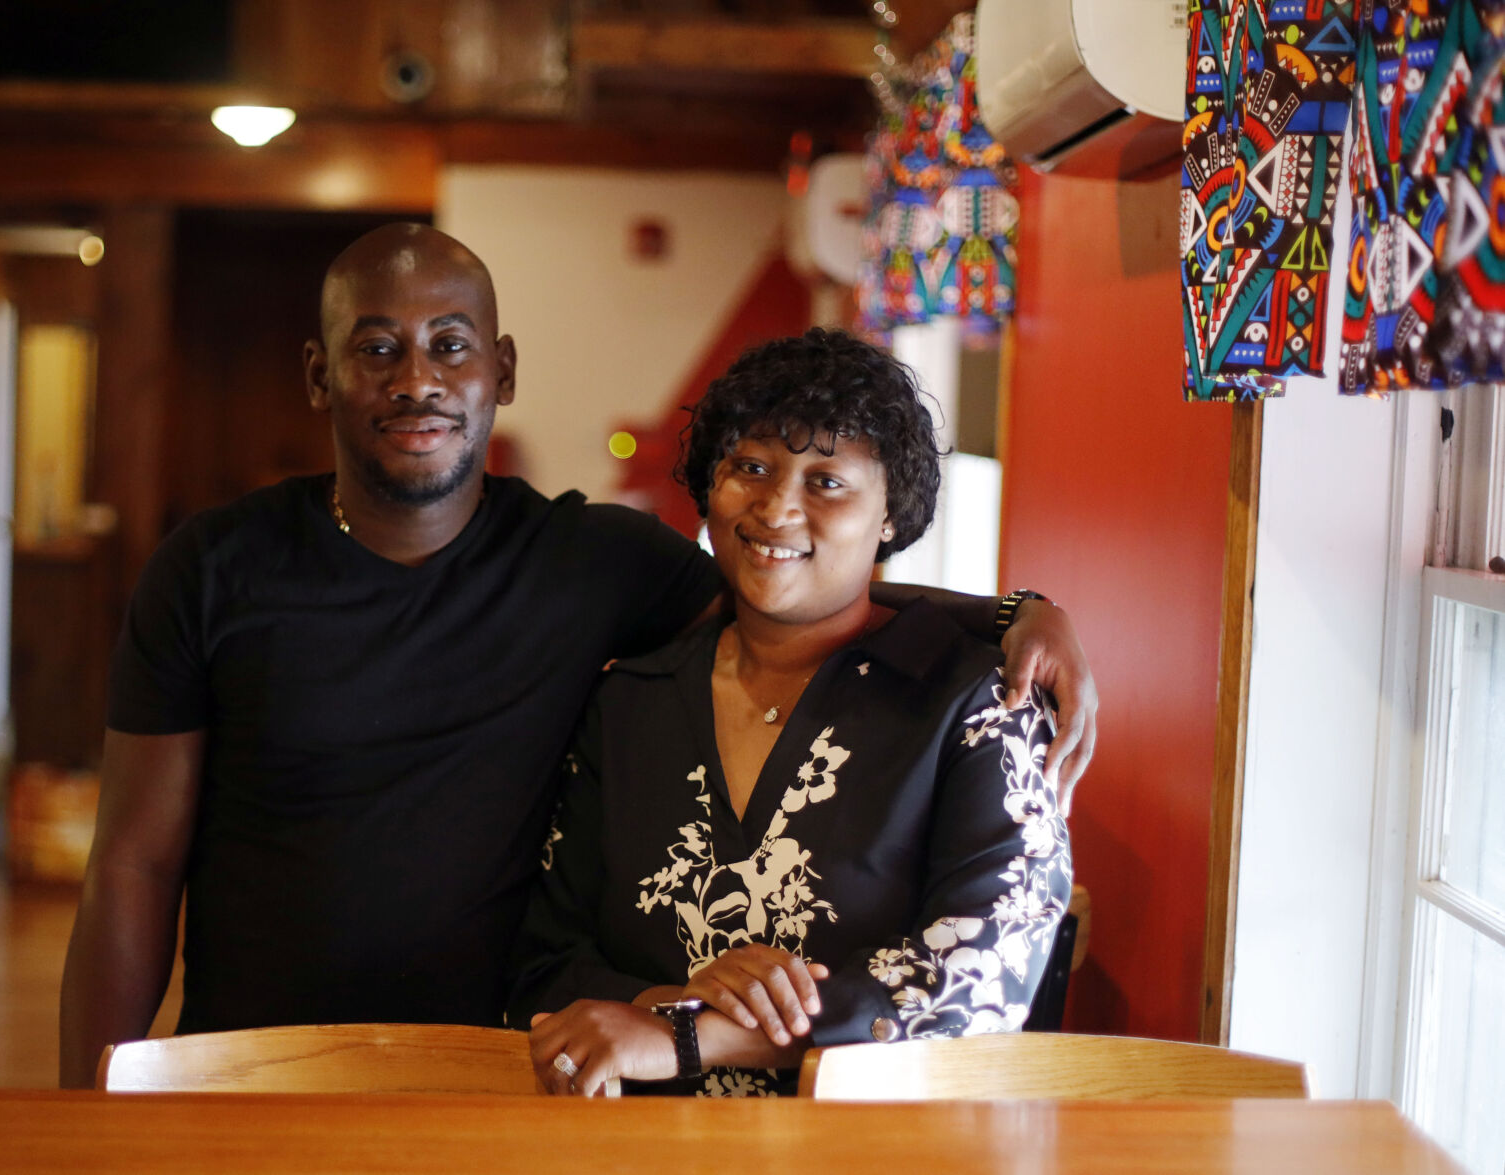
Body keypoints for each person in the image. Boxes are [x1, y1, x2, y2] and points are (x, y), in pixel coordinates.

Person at [58, 224, 1095, 1089]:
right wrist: (87, 1100)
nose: (416, 378)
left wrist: (1008, 612)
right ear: (318, 371)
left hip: (494, 1069)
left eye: (450, 344)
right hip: (255, 1059)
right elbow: (132, 863)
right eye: (376, 348)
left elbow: (794, 587)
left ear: (499, 370)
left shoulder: (588, 561)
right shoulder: (212, 568)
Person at [512, 328, 1072, 1097]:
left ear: (889, 514)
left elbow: (983, 978)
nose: (776, 505)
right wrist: (660, 1003)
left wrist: (688, 1036)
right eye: (751, 467)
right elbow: (542, 963)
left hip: (882, 1151)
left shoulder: (979, 703)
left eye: (827, 480)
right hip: (641, 1147)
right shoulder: (628, 700)